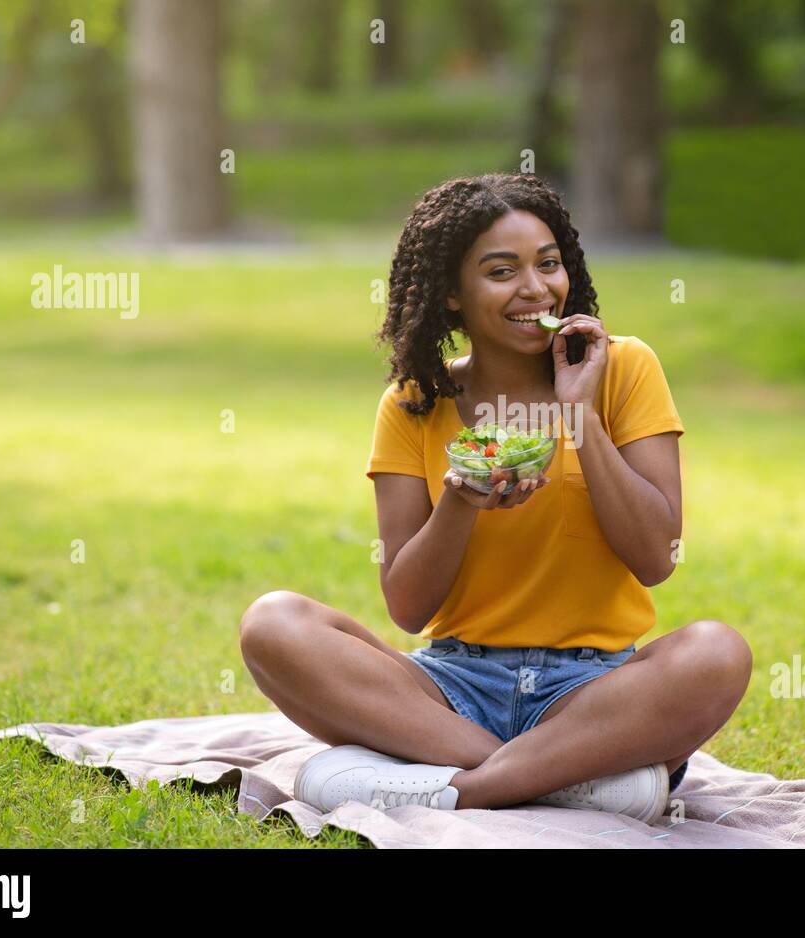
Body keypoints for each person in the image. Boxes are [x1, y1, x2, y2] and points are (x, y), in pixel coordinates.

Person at [239, 173, 751, 822]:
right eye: (502, 271)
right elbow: (407, 604)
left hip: (593, 690)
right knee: (272, 622)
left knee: (717, 652)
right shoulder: (413, 403)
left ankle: (469, 789)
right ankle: (559, 778)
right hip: (453, 688)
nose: (535, 289)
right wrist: (459, 500)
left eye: (549, 265)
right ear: (452, 294)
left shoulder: (623, 368)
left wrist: (581, 416)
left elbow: (656, 557)